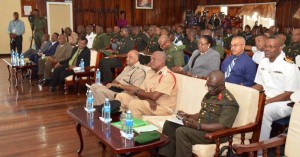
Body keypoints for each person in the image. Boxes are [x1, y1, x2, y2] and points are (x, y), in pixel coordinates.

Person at [158, 70, 239, 157]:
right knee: (169, 124)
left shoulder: (229, 102)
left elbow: (222, 126)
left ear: (221, 86)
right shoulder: (211, 94)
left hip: (215, 134)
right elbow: (203, 113)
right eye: (208, 86)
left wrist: (198, 126)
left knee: (182, 132)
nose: (209, 89)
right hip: (202, 128)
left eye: (212, 87)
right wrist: (188, 116)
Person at [252, 36, 300, 142]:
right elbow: (260, 85)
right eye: (266, 46)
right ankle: (246, 139)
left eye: (271, 47)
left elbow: (289, 93)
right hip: (266, 98)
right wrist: (247, 93)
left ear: (280, 48)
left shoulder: (289, 65)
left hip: (286, 103)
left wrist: (267, 101)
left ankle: (259, 150)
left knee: (264, 112)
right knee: (245, 103)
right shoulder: (263, 62)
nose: (267, 49)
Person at [115, 51, 177, 119]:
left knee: (135, 104)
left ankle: (134, 128)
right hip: (149, 102)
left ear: (162, 61)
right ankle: (121, 124)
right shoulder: (150, 72)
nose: (151, 61)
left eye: (154, 59)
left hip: (162, 108)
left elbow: (154, 96)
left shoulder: (168, 76)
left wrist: (136, 92)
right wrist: (147, 99)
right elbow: (142, 91)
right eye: (151, 59)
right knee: (121, 96)